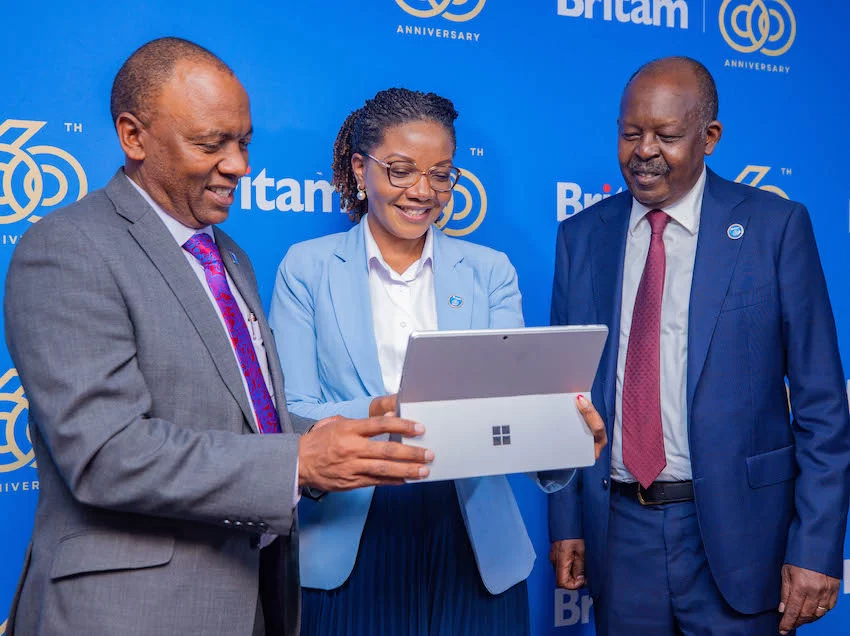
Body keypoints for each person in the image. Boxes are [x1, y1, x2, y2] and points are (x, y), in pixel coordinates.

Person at [3, 38, 433, 636]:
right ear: (133, 136)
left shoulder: (228, 255)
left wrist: (344, 436)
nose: (239, 166)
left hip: (250, 599)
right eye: (211, 144)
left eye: (244, 142)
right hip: (128, 614)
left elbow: (244, 423)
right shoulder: (68, 248)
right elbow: (106, 455)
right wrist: (299, 461)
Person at [269, 87, 607, 635]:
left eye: (441, 173)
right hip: (353, 531)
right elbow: (292, 412)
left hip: (473, 538)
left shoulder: (489, 270)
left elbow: (512, 409)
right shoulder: (306, 269)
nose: (422, 192)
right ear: (361, 168)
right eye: (400, 170)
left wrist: (561, 440)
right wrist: (386, 411)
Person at [547, 55, 850, 636]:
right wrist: (568, 521)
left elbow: (822, 406)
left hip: (742, 538)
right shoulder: (581, 237)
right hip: (620, 533)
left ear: (709, 137)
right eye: (631, 133)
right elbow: (569, 398)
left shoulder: (775, 227)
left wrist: (816, 544)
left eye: (666, 135)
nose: (644, 150)